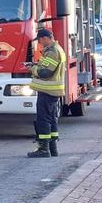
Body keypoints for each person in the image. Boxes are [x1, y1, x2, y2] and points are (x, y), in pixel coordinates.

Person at [27, 28, 66, 158]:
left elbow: (46, 72)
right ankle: (53, 149)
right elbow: (46, 67)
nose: (39, 43)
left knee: (43, 120)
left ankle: (44, 150)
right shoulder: (54, 50)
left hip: (48, 91)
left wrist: (32, 69)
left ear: (44, 38)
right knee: (51, 120)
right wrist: (35, 64)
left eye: (39, 40)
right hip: (52, 91)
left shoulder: (53, 52)